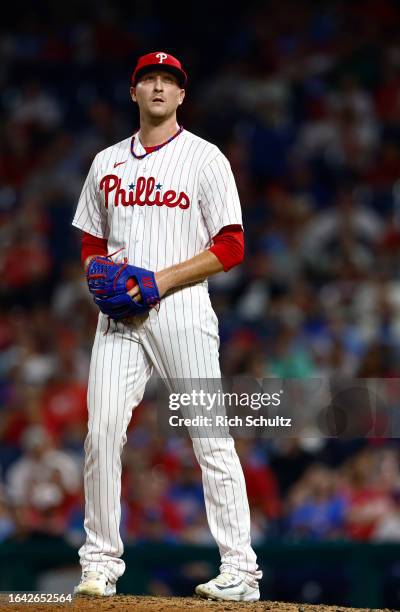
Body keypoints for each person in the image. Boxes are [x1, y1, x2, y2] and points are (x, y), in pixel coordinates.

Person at [72, 51, 262, 602]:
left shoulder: (205, 159)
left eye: (169, 81)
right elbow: (91, 242)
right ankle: (101, 562)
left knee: (210, 438)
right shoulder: (106, 162)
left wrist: (158, 279)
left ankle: (240, 571)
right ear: (134, 93)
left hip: (182, 311)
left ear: (182, 95)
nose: (158, 87)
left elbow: (231, 245)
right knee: (101, 432)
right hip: (119, 319)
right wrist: (97, 277)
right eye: (149, 79)